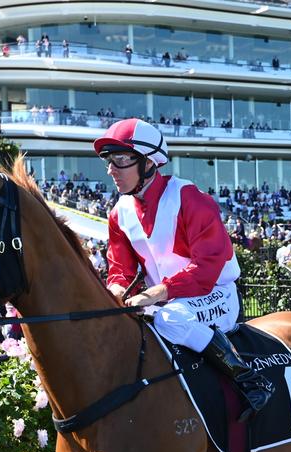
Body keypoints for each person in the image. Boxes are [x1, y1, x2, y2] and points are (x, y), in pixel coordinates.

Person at [94, 118, 272, 421]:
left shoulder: (190, 198)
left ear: (149, 162)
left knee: (168, 318)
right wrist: (114, 297)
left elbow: (206, 268)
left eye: (120, 160)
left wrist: (155, 293)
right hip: (165, 300)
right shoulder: (118, 214)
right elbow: (120, 273)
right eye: (108, 161)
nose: (111, 169)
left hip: (216, 294)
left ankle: (250, 379)